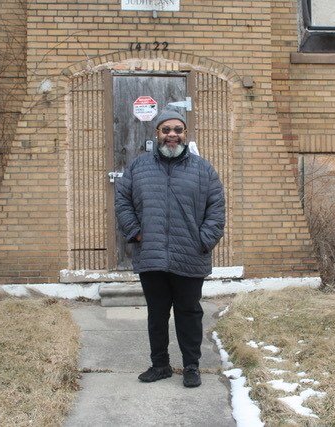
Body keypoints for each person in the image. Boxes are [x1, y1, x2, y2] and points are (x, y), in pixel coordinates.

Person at [114, 106, 225, 388]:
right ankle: (160, 365)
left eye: (177, 130)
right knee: (157, 313)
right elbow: (122, 201)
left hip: (190, 255)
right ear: (157, 133)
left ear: (185, 134)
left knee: (189, 313)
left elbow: (216, 208)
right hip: (151, 254)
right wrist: (135, 233)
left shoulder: (203, 170)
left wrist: (204, 240)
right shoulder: (139, 167)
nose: (172, 135)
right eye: (166, 130)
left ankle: (191, 366)